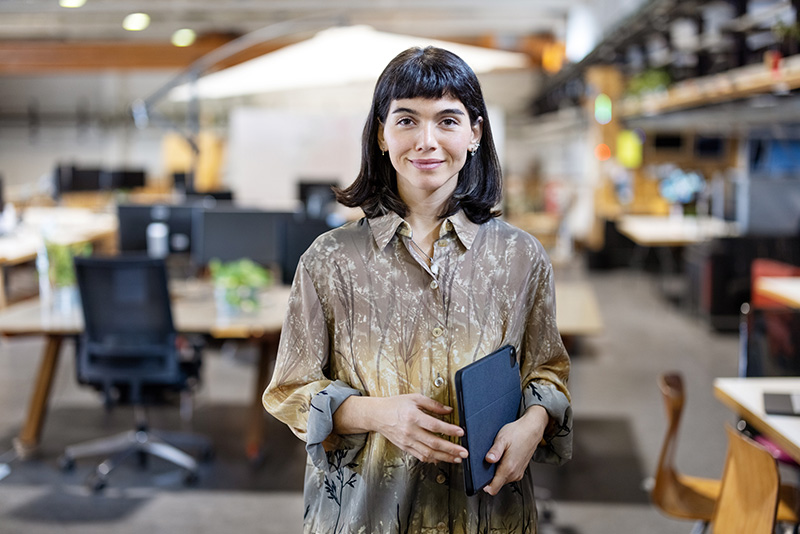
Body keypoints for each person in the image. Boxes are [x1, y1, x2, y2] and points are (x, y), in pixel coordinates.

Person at [263, 45, 572, 534]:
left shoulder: (520, 257)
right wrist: (375, 414)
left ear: (474, 133)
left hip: (487, 514)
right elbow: (289, 390)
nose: (426, 141)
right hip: (367, 513)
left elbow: (547, 374)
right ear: (382, 135)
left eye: (447, 121)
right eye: (406, 120)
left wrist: (534, 422)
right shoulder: (330, 259)